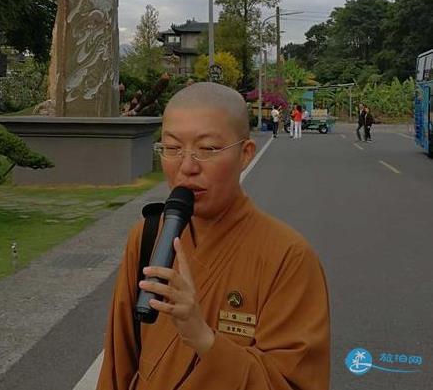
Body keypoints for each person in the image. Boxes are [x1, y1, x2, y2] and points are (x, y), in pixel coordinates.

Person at [96, 82, 331, 390]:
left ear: (245, 154)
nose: (187, 166)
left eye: (207, 149)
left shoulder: (288, 256)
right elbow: (118, 363)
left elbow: (293, 383)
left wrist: (202, 337)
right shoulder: (149, 236)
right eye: (172, 148)